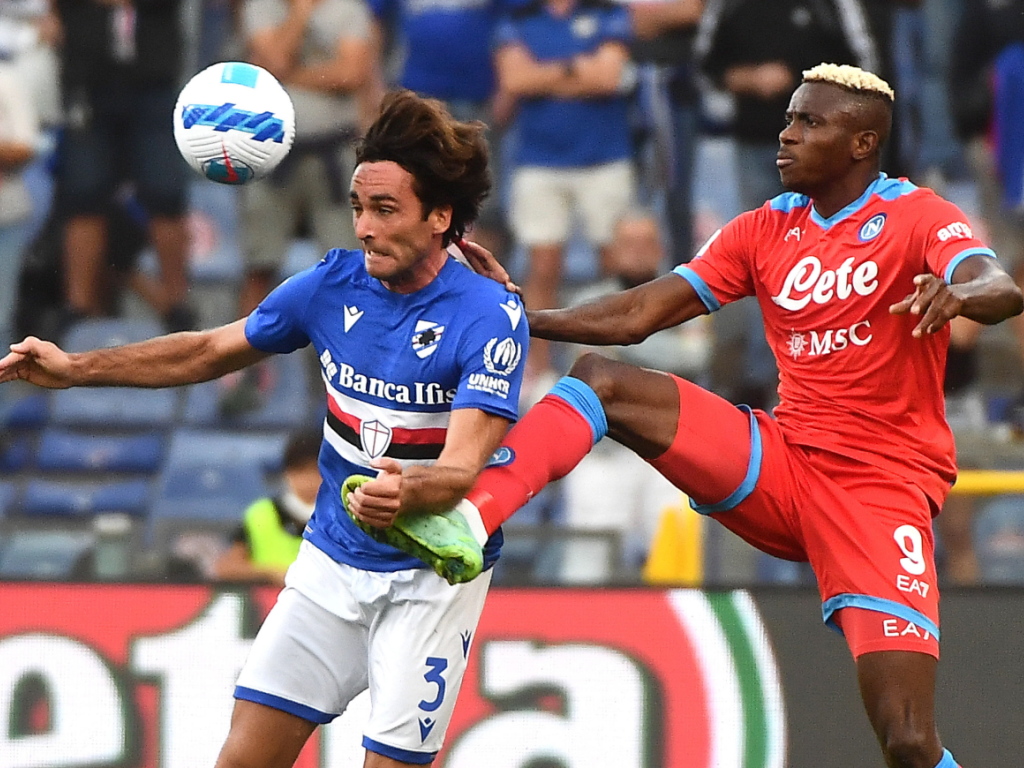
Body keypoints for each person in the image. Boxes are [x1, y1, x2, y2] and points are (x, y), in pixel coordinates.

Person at [349, 65, 1024, 768]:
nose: (786, 135)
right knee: (602, 383)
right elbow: (640, 313)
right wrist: (522, 314)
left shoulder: (918, 215)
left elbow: (997, 283)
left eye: (809, 123)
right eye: (788, 119)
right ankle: (472, 516)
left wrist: (963, 295)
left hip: (878, 494)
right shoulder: (765, 227)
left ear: (862, 143)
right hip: (784, 464)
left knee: (907, 740)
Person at [0, 90, 528, 768]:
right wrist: (76, 368)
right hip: (332, 564)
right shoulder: (332, 285)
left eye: (385, 209)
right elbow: (205, 351)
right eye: (357, 208)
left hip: (430, 581)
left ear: (441, 216)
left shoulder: (488, 315)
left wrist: (410, 492)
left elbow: (460, 470)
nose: (364, 228)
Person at [493, 0, 637, 395]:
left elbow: (609, 76)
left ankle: (613, 371)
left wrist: (544, 73)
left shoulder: (609, 13)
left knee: (613, 265)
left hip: (604, 158)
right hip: (539, 160)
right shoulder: (518, 18)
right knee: (542, 267)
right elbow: (515, 79)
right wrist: (577, 68)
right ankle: (538, 372)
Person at [49, 0, 195, 333]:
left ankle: (178, 307)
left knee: (166, 194)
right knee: (82, 194)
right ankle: (77, 311)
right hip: (88, 82)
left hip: (154, 81)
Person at [213, 428, 323, 587]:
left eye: (316, 471)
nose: (308, 481)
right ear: (286, 474)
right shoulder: (260, 514)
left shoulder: (343, 515)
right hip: (270, 599)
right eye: (300, 471)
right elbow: (226, 568)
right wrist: (269, 572)